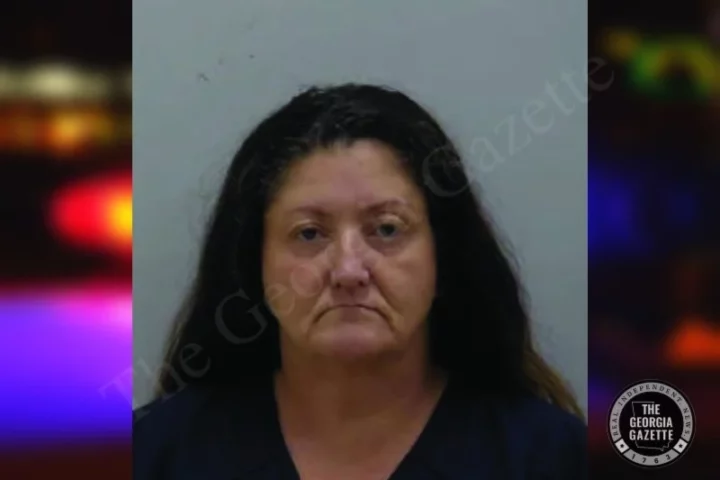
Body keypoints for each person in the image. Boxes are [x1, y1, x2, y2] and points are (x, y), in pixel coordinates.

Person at [133, 83, 587, 479]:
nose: (348, 271)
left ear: (443, 257)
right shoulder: (158, 453)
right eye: (309, 234)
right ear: (255, 263)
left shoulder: (547, 457)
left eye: (387, 229)